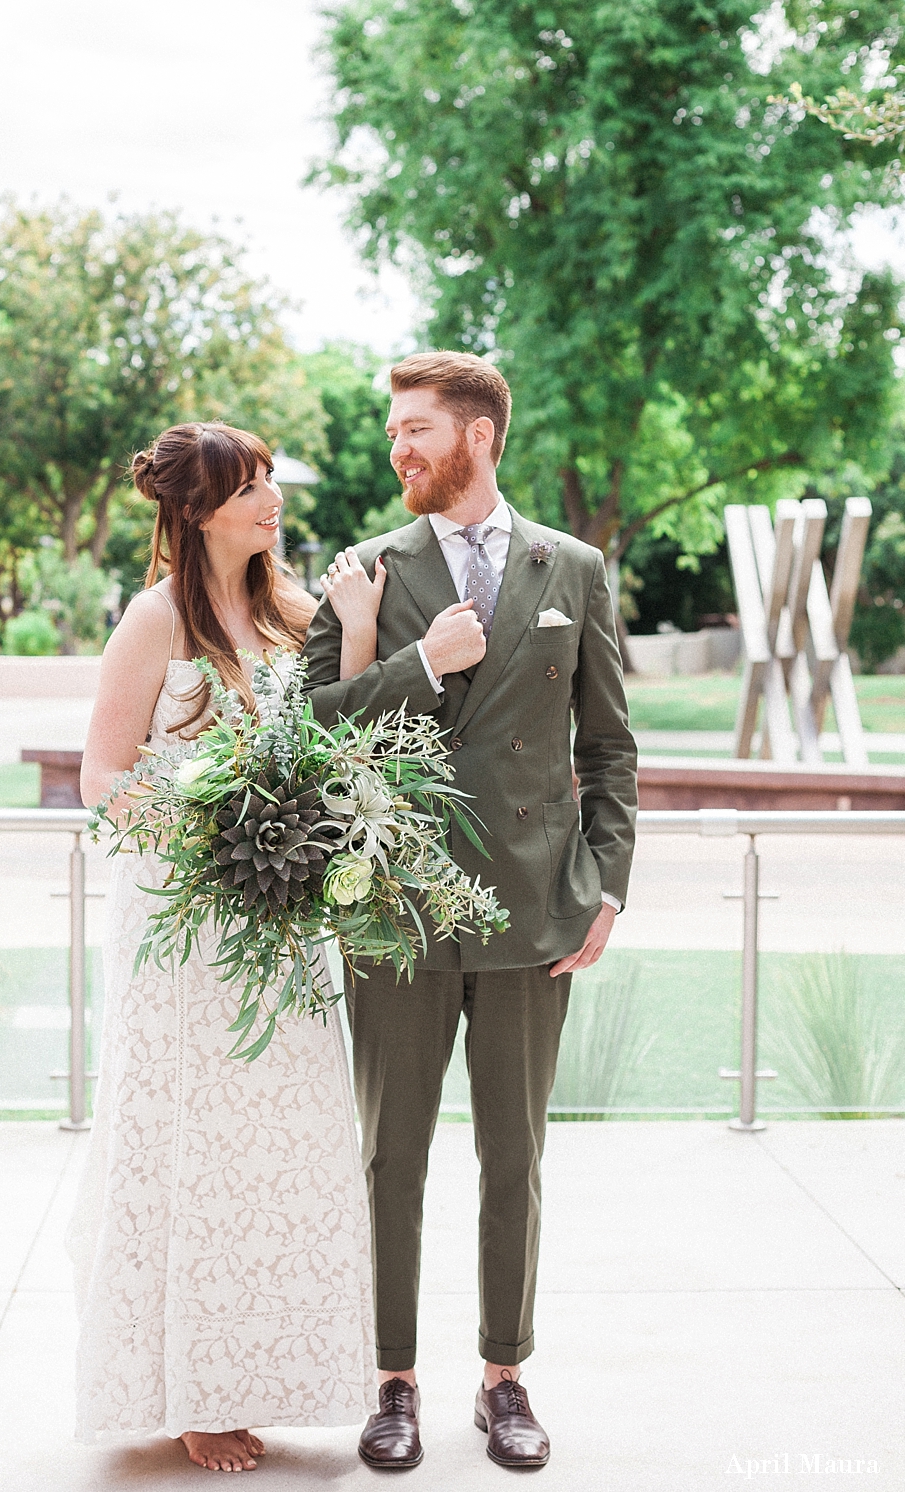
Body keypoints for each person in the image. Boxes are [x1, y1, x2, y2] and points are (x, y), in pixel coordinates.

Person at [304, 351, 638, 1472]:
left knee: (515, 1158)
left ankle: (503, 1375)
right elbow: (310, 739)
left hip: (531, 916)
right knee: (389, 1157)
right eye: (394, 431)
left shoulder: (573, 567)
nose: (395, 448)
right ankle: (390, 1376)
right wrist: (416, 659)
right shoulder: (361, 570)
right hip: (392, 915)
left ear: (476, 436)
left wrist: (606, 886)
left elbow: (607, 747)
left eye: (413, 430)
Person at [67, 423, 378, 1474]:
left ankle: (265, 1374)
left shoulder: (292, 614)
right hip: (180, 920)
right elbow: (102, 780)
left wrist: (366, 632)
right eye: (250, 488)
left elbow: (337, 734)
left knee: (280, 1152)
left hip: (277, 923)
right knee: (189, 1147)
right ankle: (192, 1391)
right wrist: (213, 823)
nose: (270, 500)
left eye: (268, 484)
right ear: (198, 510)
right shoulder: (153, 621)